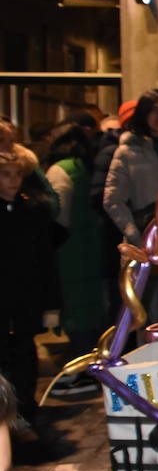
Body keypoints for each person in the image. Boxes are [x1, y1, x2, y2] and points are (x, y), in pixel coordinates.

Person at [103, 89, 158, 323]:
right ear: (143, 115)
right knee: (146, 316)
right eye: (153, 110)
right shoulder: (126, 151)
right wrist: (133, 233)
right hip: (144, 241)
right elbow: (112, 199)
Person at [0, 151, 64, 447]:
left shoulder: (33, 211)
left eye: (17, 174)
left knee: (25, 358)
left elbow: (46, 260)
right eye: (6, 174)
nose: (13, 181)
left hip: (25, 297)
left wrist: (52, 303)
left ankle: (23, 414)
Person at [42, 124, 105, 397]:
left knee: (76, 311)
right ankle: (94, 366)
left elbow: (59, 214)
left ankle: (81, 371)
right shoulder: (91, 165)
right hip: (96, 248)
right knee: (94, 310)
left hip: (70, 251)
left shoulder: (60, 170)